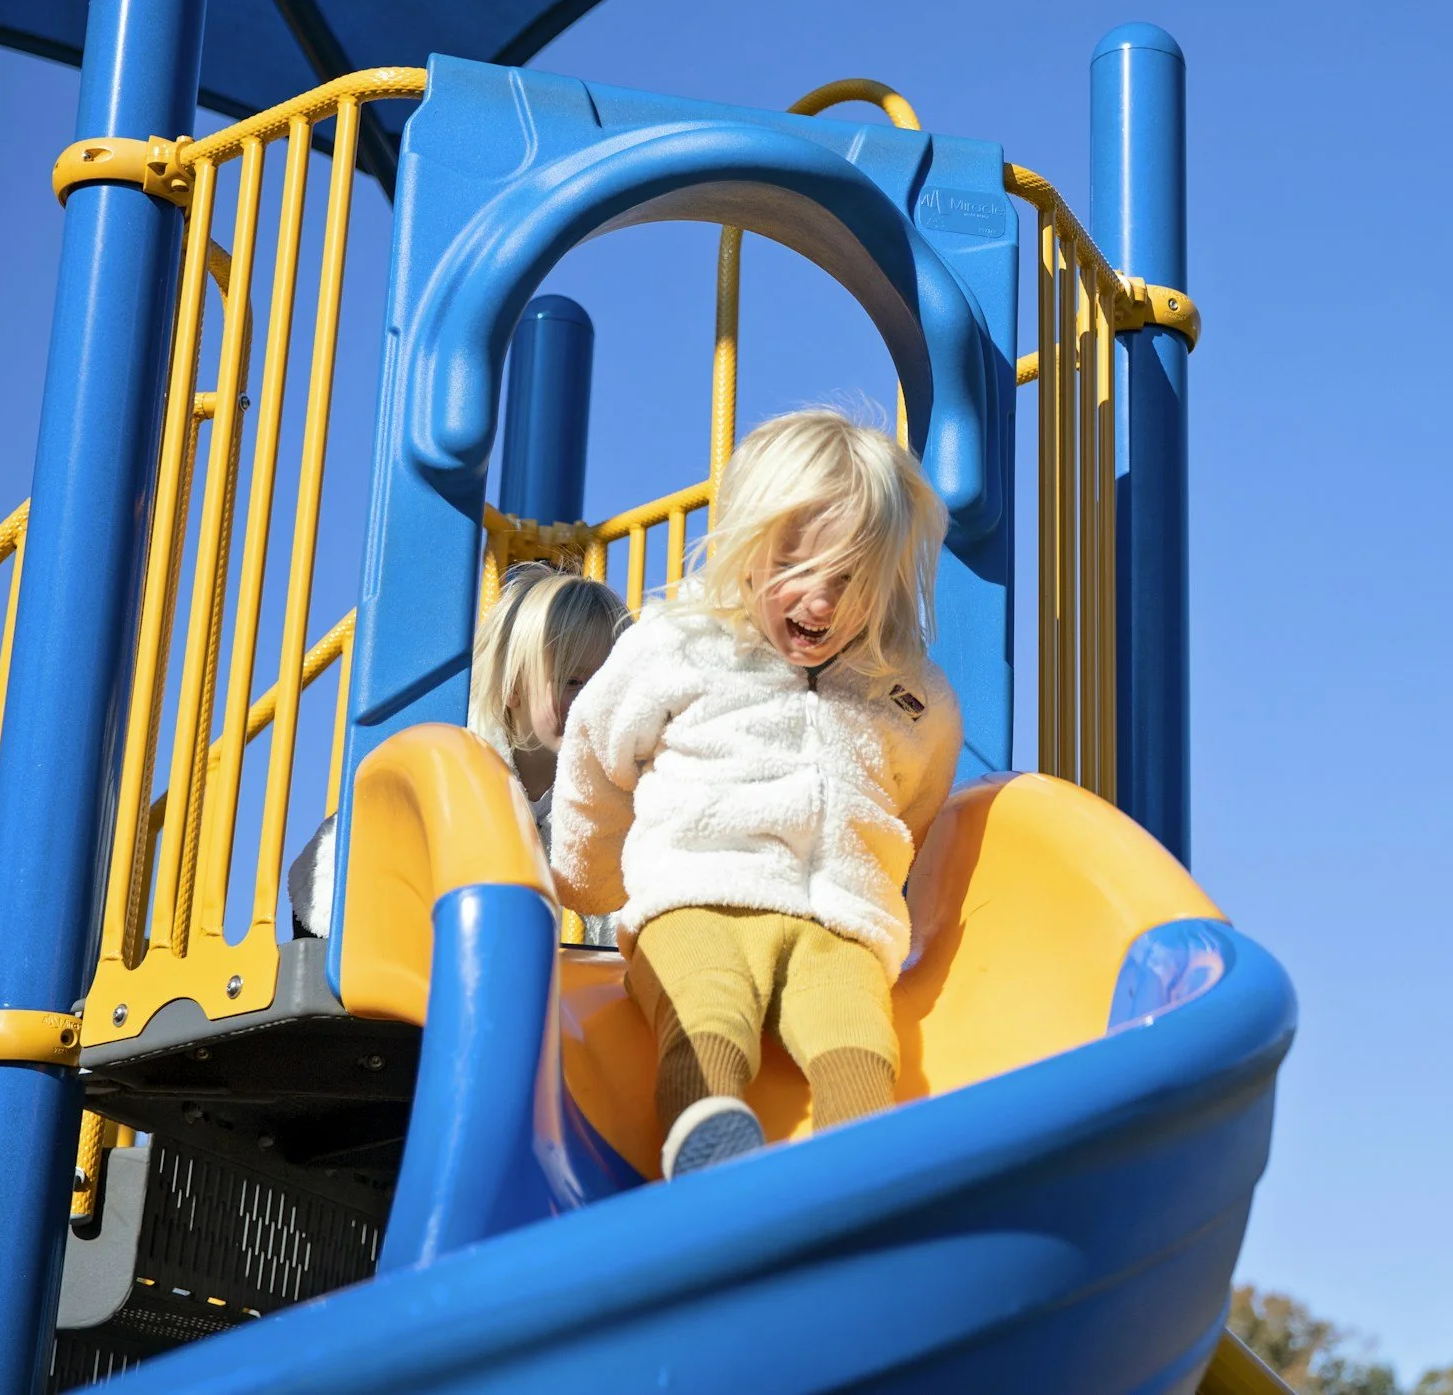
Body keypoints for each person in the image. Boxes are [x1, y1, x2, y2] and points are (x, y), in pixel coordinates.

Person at [549, 408, 962, 1180]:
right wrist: (588, 878)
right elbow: (596, 759)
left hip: (838, 922)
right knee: (705, 1012)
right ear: (747, 549)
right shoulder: (680, 647)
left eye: (850, 580)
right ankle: (707, 1145)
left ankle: (862, 1179)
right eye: (797, 568)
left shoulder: (906, 694)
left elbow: (917, 803)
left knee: (862, 1039)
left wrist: (878, 881)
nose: (821, 602)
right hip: (697, 895)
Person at [287, 563, 628, 941]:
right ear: (512, 686)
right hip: (335, 917)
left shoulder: (598, 790)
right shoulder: (460, 758)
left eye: (608, 685)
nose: (592, 702)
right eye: (573, 681)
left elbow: (615, 889)